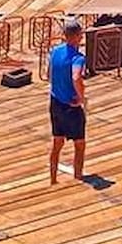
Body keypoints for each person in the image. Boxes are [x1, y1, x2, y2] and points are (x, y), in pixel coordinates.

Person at [48, 15, 87, 184]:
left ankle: (53, 179)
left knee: (57, 143)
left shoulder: (55, 51)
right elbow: (76, 76)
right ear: (78, 36)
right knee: (79, 144)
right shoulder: (78, 57)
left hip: (55, 102)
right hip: (70, 107)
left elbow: (49, 74)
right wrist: (81, 98)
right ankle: (78, 178)